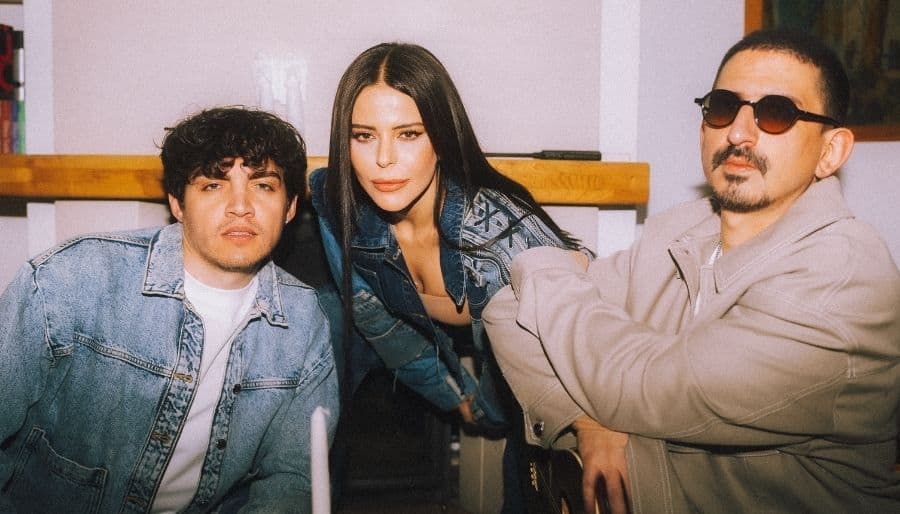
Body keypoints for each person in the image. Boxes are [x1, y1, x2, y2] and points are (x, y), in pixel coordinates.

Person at [484, 28, 900, 513]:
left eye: (776, 114)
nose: (738, 134)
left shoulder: (845, 282)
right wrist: (585, 421)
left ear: (830, 152)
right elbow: (505, 307)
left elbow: (641, 384)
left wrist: (540, 261)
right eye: (723, 107)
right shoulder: (683, 229)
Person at [0, 107, 339, 513]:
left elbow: (292, 479)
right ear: (177, 203)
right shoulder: (70, 280)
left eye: (263, 185)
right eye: (213, 185)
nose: (240, 206)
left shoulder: (303, 322)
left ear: (290, 207)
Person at [308, 42, 584, 512]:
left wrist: (590, 427)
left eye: (409, 134)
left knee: (529, 463)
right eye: (364, 136)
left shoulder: (498, 234)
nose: (383, 159)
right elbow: (376, 319)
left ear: (441, 135)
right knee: (322, 316)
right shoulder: (337, 202)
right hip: (434, 351)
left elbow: (575, 344)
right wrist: (451, 393)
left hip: (549, 355)